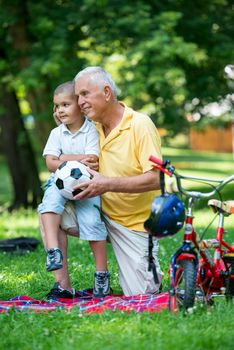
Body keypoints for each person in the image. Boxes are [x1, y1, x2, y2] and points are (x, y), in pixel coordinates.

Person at [70, 66, 163, 296]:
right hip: (97, 214)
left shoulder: (140, 124)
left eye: (84, 94)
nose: (79, 102)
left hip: (135, 226)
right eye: (77, 96)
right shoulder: (90, 130)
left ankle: (148, 267)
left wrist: (107, 183)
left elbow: (156, 178)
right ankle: (61, 286)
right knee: (49, 210)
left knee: (143, 293)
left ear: (107, 92)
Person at [38, 81, 110, 298]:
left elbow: (92, 161)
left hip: (85, 186)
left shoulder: (91, 131)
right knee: (49, 204)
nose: (59, 110)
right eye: (56, 106)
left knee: (92, 223)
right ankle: (53, 251)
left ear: (79, 105)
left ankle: (102, 275)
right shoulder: (56, 133)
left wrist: (63, 159)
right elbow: (50, 163)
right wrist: (74, 159)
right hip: (58, 184)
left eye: (65, 104)